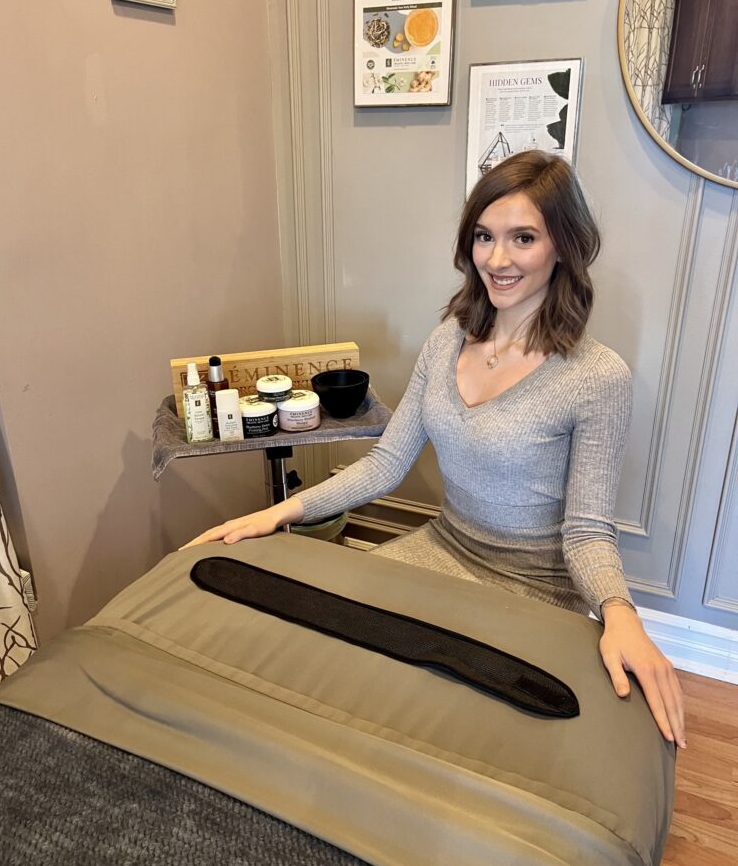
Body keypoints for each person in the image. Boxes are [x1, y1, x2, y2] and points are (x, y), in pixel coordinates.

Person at [182, 150, 686, 750]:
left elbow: (586, 531)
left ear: (562, 246)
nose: (497, 259)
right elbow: (385, 464)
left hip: (535, 586)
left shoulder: (598, 378)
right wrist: (274, 514)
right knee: (329, 671)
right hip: (441, 549)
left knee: (447, 731)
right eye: (483, 236)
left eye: (522, 237)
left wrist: (619, 611)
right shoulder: (447, 339)